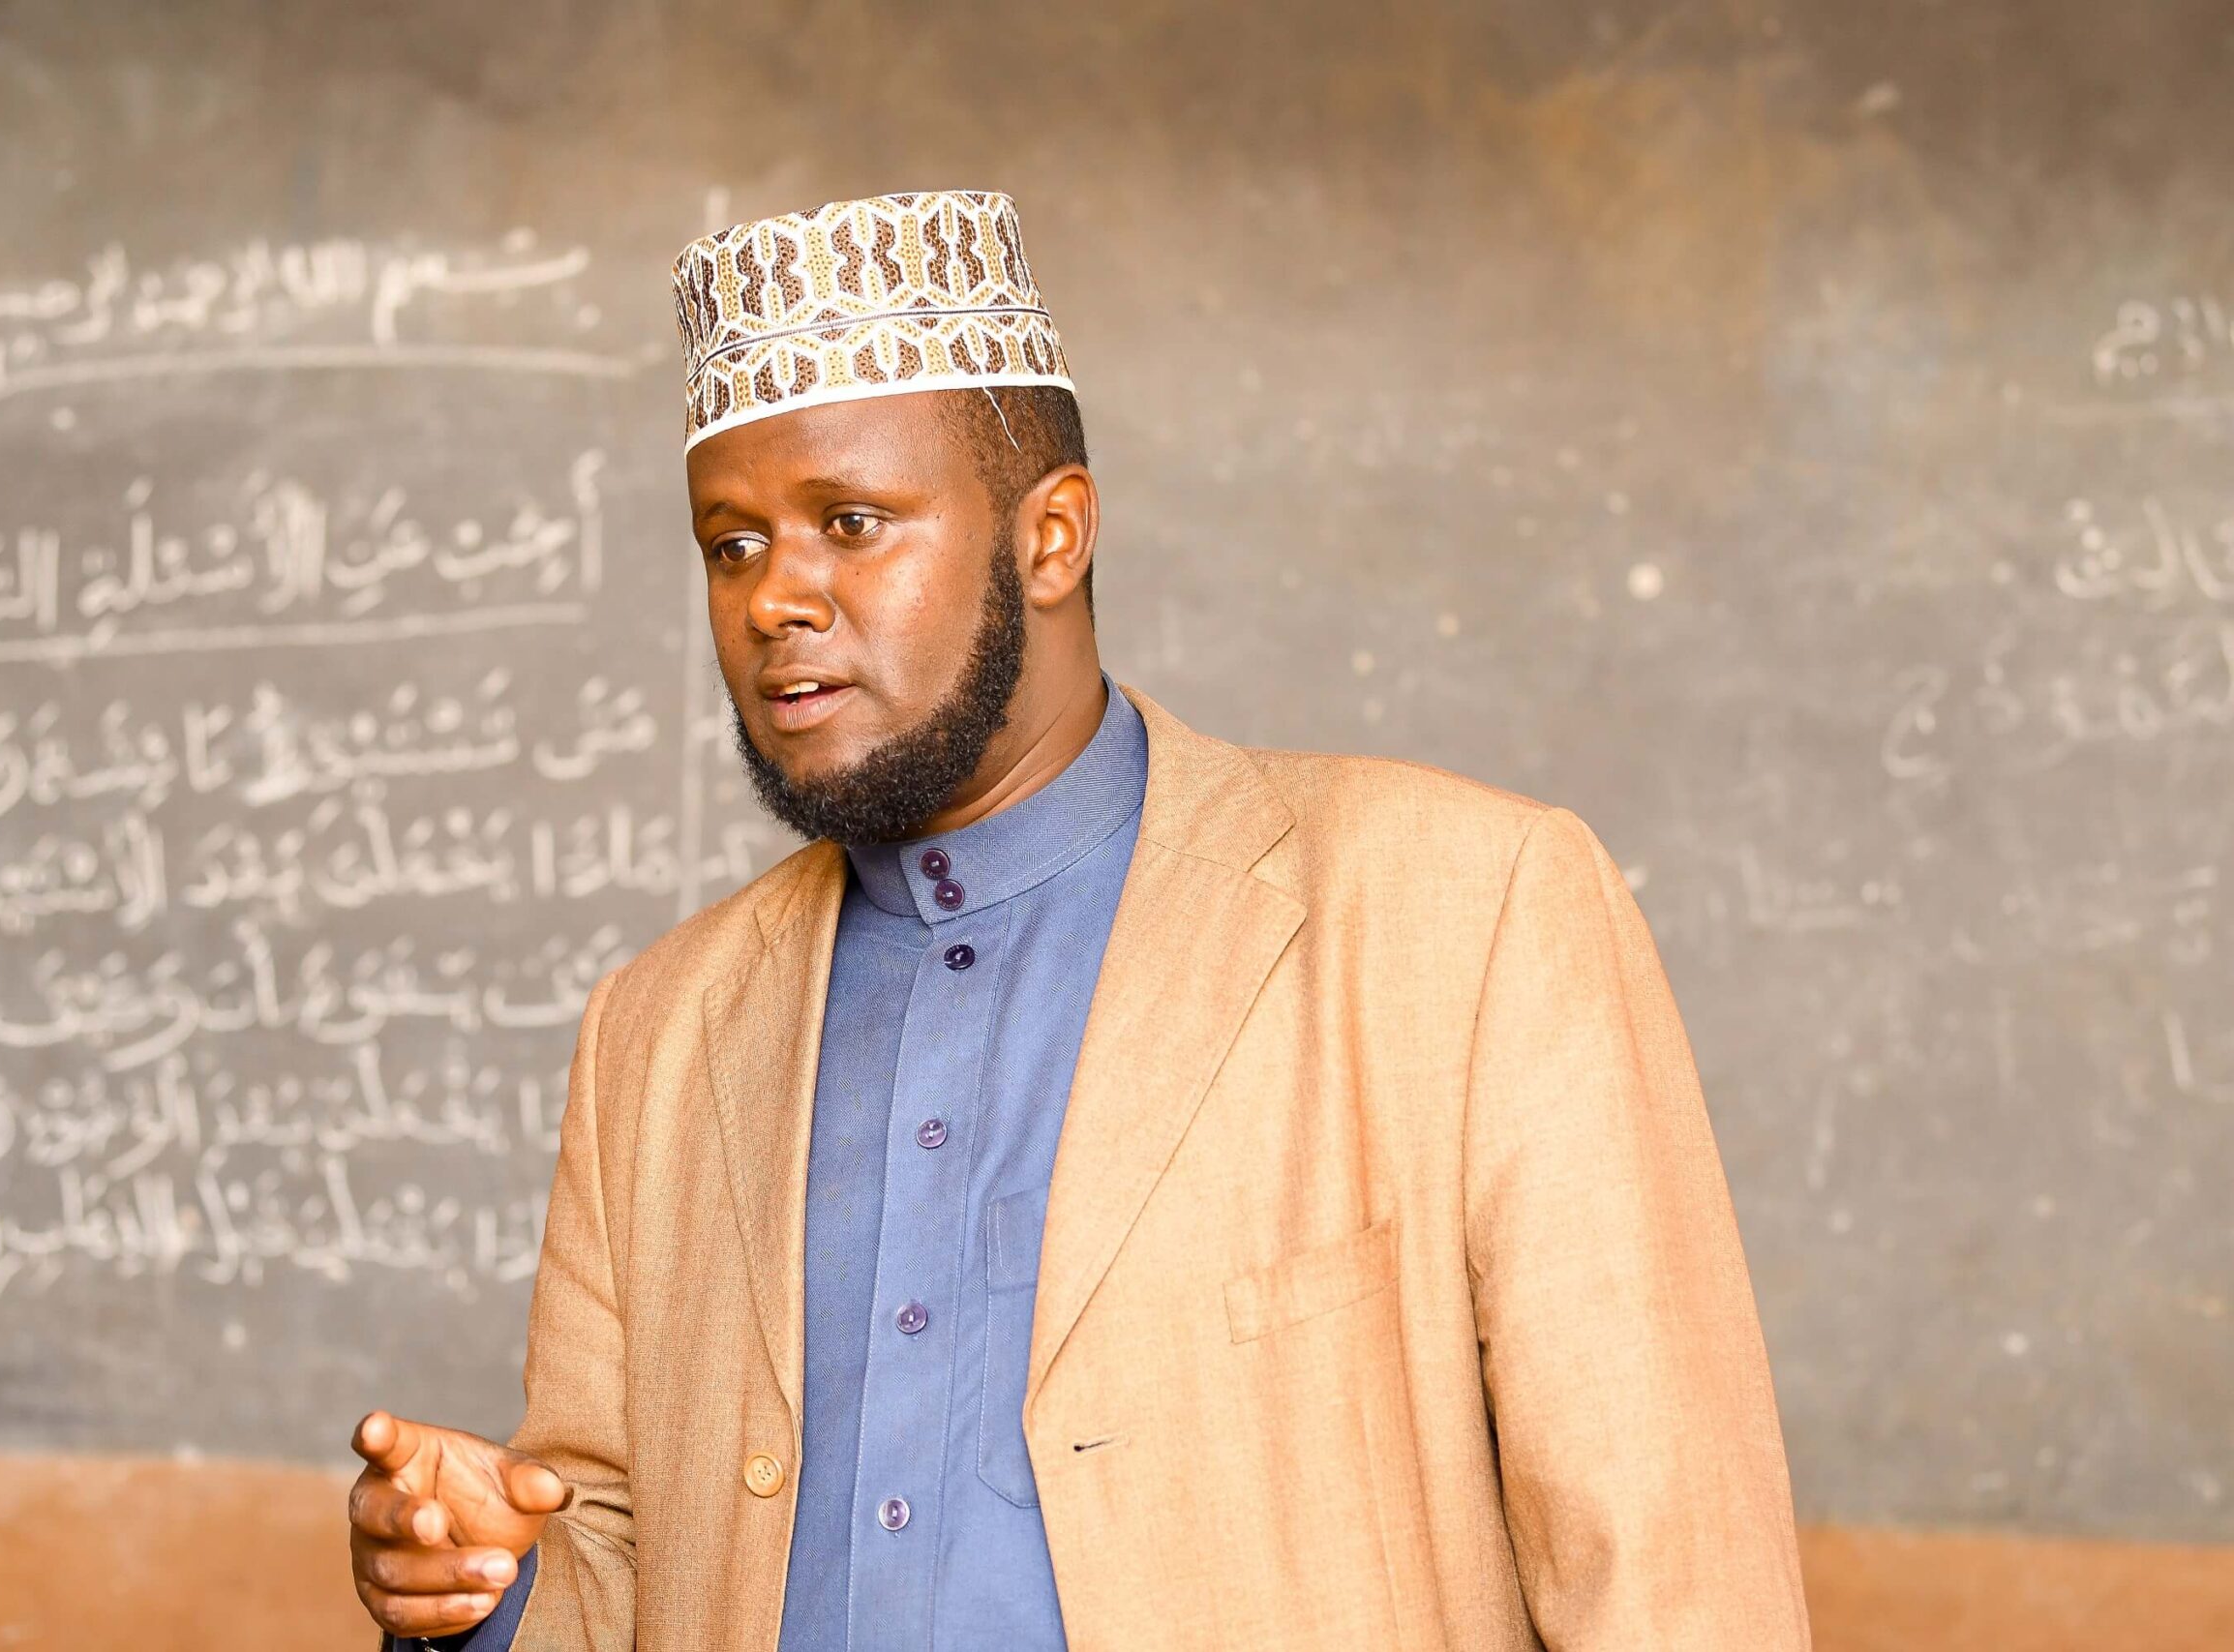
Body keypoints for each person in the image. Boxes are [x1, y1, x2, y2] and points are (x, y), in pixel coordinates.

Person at [347, 190, 1810, 1651]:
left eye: (850, 523)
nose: (776, 597)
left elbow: (1672, 1576)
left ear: (1052, 537)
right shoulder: (658, 1032)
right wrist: (492, 1583)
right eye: (731, 545)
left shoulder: (1464, 914)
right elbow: (628, 1567)